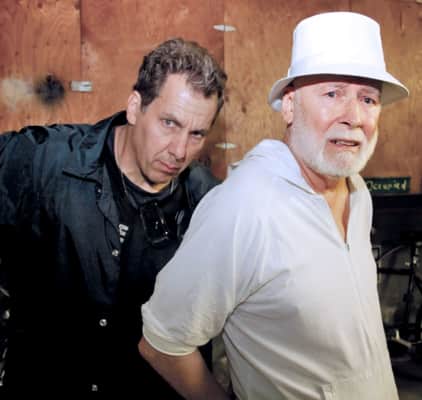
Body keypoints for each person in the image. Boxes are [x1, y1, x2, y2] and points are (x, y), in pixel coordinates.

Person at [138, 12, 409, 400]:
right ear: (290, 106)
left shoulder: (358, 192)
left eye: (368, 99)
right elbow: (163, 343)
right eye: (332, 94)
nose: (353, 117)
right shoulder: (243, 206)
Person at [0, 37, 227, 396]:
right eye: (170, 123)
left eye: (197, 133)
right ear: (135, 107)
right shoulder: (44, 162)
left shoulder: (211, 205)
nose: (180, 150)